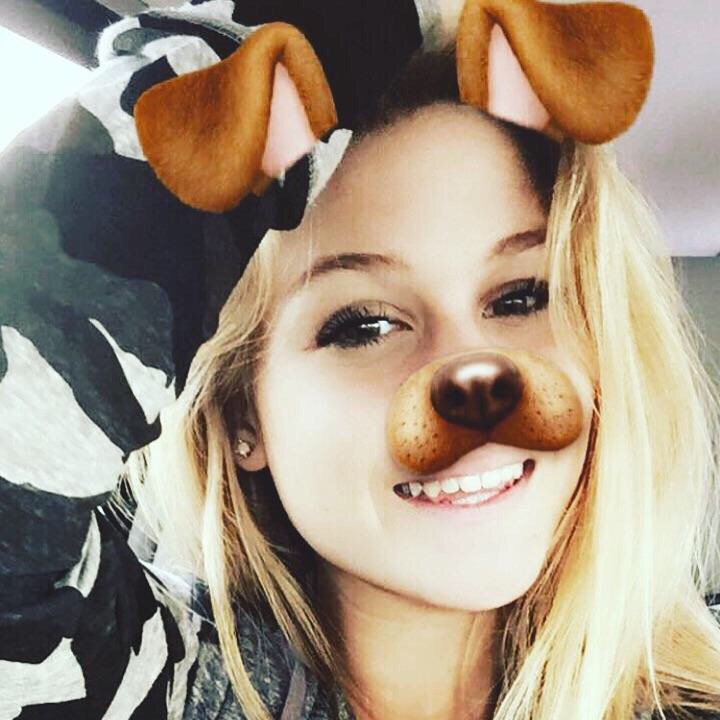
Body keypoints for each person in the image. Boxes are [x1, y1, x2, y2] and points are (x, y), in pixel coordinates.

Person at [0, 2, 719, 720]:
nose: (474, 374)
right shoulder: (169, 689)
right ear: (244, 413)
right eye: (364, 325)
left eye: (520, 297)